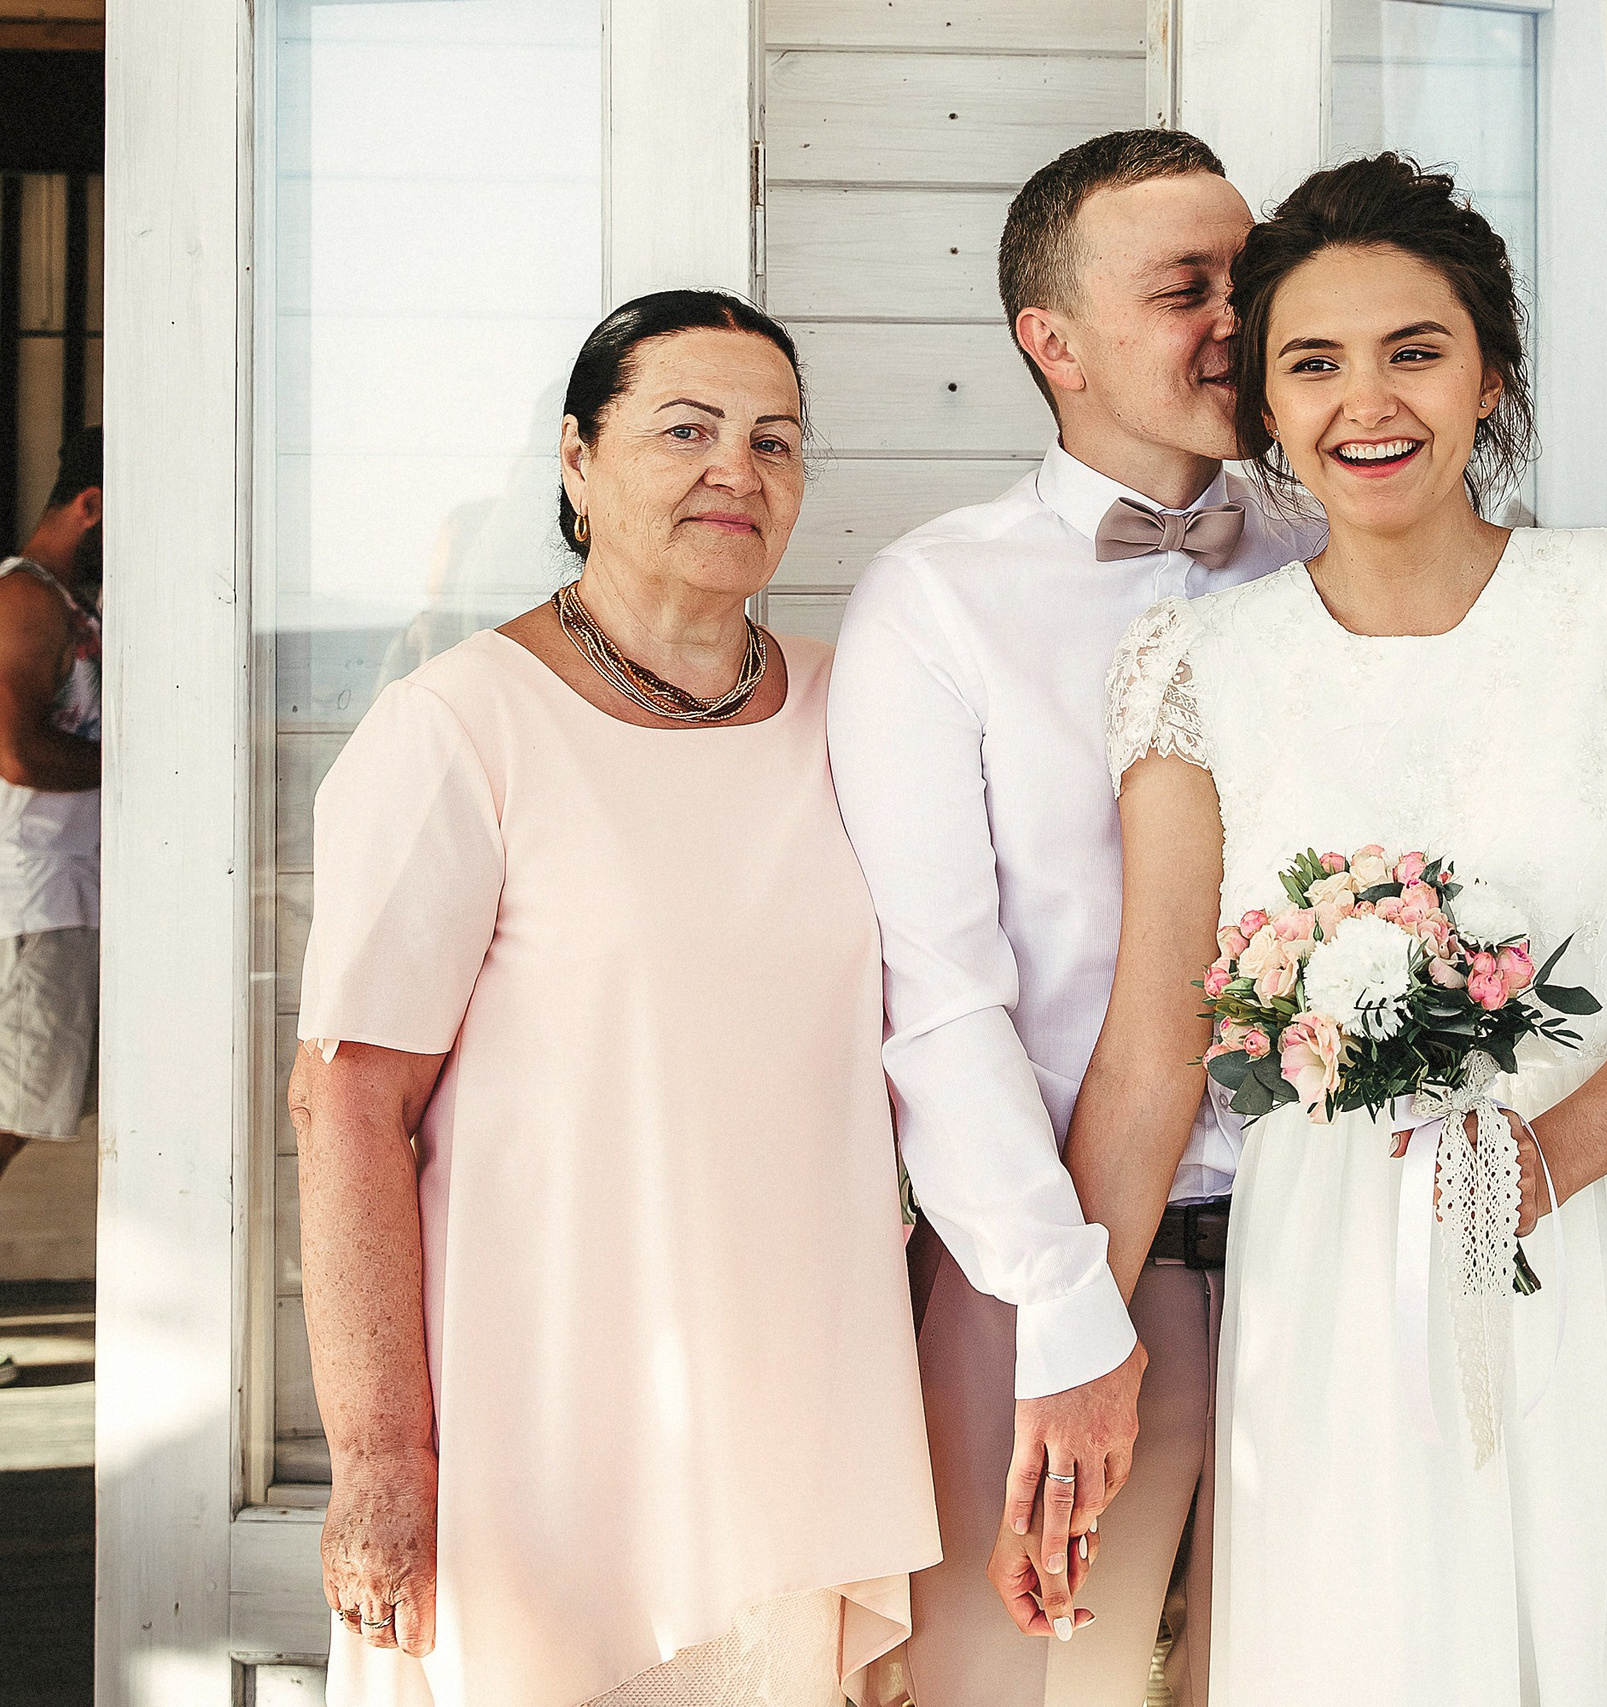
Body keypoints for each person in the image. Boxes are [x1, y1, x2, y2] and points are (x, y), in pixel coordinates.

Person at [830, 129, 1607, 1701]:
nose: (1361, 396)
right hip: (1288, 1268)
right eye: (1304, 355)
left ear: (1491, 372)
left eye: (1414, 350)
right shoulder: (1116, 639)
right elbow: (1105, 1038)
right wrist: (1064, 1351)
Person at [292, 290, 936, 1704]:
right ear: (578, 462)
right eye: (685, 431)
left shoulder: (862, 710)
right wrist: (381, 1454)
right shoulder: (460, 724)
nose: (736, 471)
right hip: (543, 1414)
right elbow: (347, 1104)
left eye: (774, 440)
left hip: (796, 1406)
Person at [0, 423, 101, 1391]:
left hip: (70, 894)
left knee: (25, 1107)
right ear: (92, 506)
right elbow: (18, 753)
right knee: (9, 1111)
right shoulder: (25, 597)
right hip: (30, 898)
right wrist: (142, 764)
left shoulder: (68, 602)